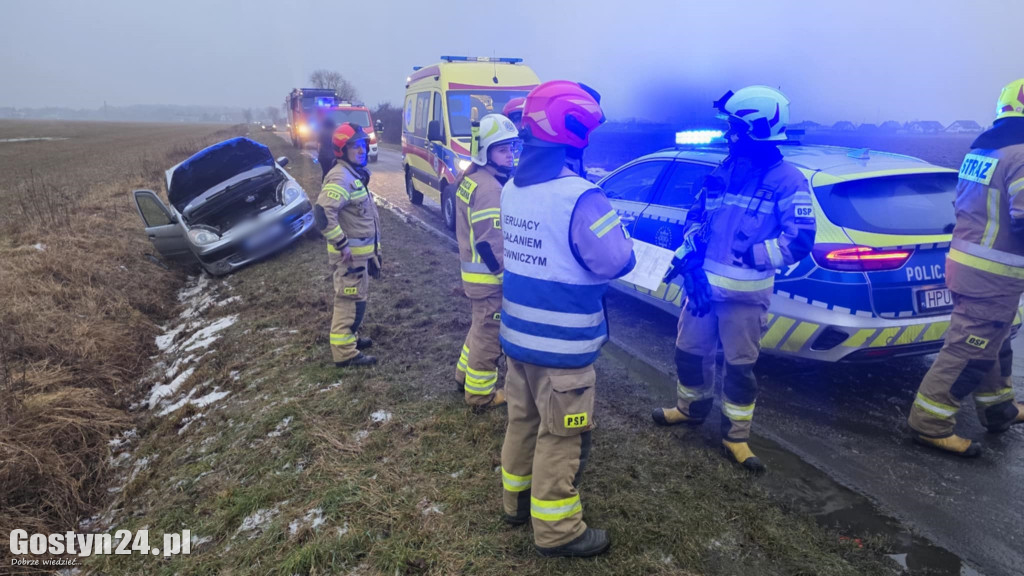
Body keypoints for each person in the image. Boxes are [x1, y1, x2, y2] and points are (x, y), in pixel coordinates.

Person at [499, 80, 635, 558]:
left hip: (518, 341)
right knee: (561, 438)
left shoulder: (512, 188)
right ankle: (558, 531)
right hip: (564, 352)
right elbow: (615, 260)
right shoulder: (581, 196)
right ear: (575, 132)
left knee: (522, 422)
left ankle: (515, 503)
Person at [651, 86, 816, 473]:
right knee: (689, 353)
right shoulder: (725, 169)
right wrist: (691, 255)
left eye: (736, 128)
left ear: (758, 129)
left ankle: (735, 437)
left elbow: (800, 239)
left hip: (746, 298)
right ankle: (689, 410)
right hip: (702, 292)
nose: (730, 135)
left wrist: (753, 256)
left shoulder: (789, 181)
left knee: (740, 369)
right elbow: (697, 216)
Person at [907, 78, 1024, 456]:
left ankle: (999, 408)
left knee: (994, 340)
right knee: (969, 350)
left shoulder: (985, 150)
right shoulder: (1021, 155)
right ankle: (929, 424)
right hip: (994, 275)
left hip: (973, 265)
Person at [454, 114, 520, 408]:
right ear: (485, 152)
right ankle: (481, 395)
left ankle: (463, 376)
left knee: (479, 328)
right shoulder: (491, 189)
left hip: (476, 276)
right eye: (502, 149)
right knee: (489, 337)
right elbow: (490, 243)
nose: (510, 155)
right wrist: (507, 277)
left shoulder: (472, 179)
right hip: (489, 279)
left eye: (512, 148)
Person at [314, 123, 382, 368]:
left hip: (359, 257)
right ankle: (344, 353)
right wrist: (342, 244)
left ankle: (350, 338)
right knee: (348, 301)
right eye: (355, 146)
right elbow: (323, 214)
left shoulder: (352, 174)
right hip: (349, 259)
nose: (362, 150)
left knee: (357, 300)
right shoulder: (341, 177)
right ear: (342, 150)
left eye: (363, 145)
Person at [317, 117, 338, 181]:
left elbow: (319, 145)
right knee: (332, 172)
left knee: (325, 172)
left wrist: (319, 153)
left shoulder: (321, 132)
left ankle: (324, 184)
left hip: (323, 156)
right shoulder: (336, 132)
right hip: (333, 156)